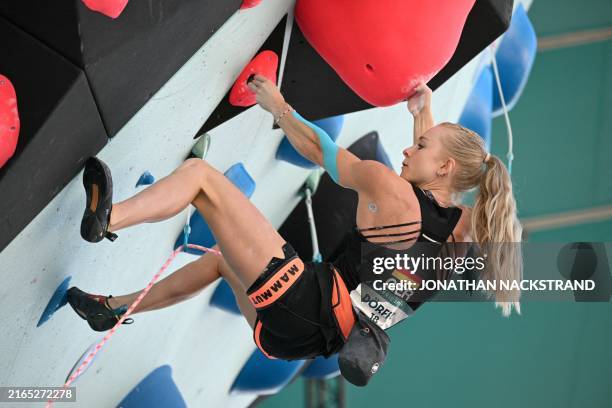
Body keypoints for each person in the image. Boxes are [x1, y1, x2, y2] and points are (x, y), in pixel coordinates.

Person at [67, 76, 523, 362]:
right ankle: (114, 309)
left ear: (444, 168)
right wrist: (425, 114)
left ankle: (109, 218)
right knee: (223, 262)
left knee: (201, 178)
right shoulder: (459, 240)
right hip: (298, 343)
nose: (408, 147)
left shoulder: (390, 188)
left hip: (304, 300)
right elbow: (431, 184)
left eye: (419, 148)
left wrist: (277, 104)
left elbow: (316, 149)